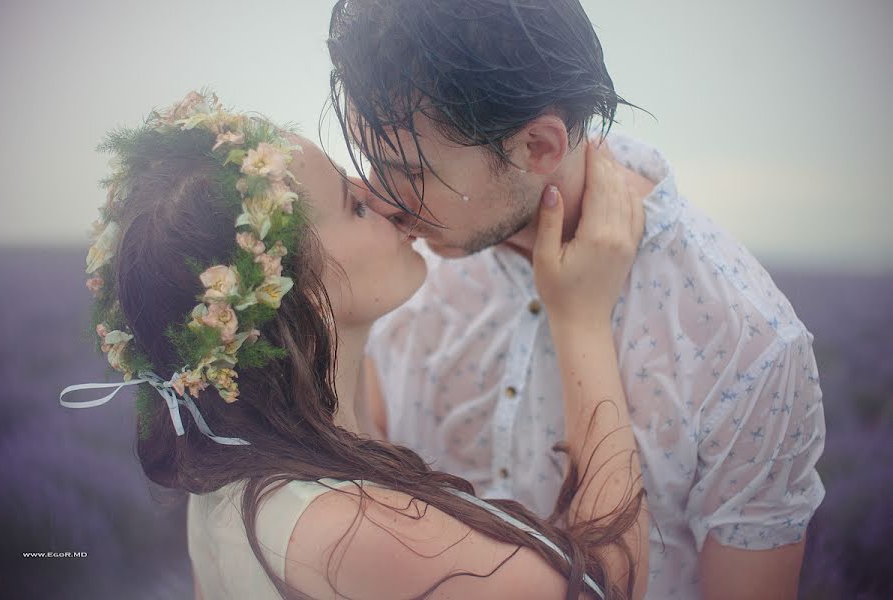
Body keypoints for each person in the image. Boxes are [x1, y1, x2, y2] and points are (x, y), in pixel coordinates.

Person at [60, 92, 649, 599]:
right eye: (355, 204)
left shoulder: (226, 475)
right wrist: (581, 321)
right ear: (298, 290)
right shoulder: (352, 531)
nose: (393, 203)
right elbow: (607, 585)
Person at [326, 1, 827, 598]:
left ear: (539, 146)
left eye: (406, 170)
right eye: (368, 163)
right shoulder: (401, 267)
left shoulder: (749, 343)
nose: (380, 201)